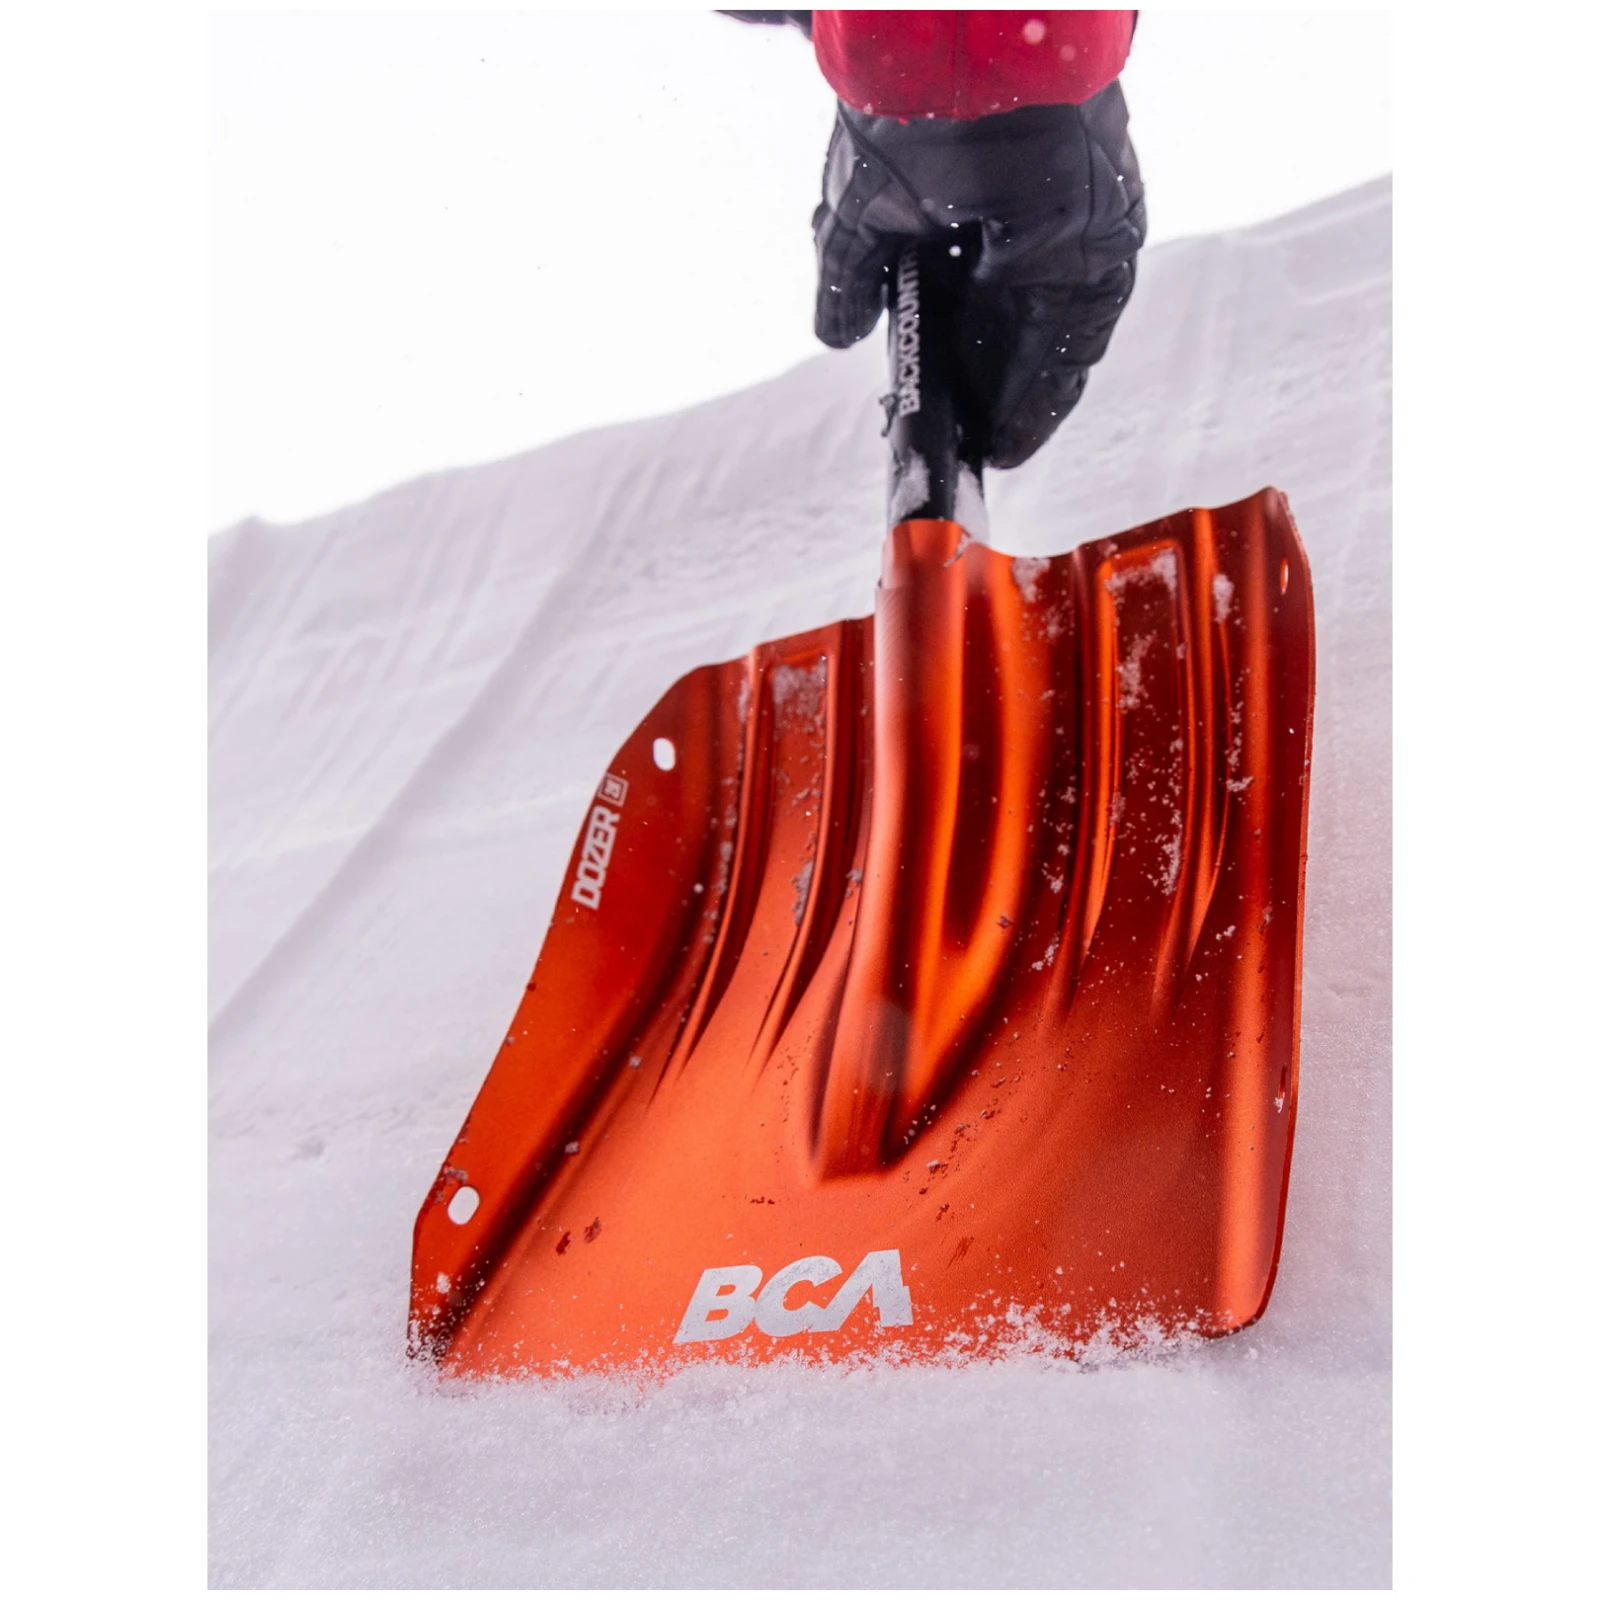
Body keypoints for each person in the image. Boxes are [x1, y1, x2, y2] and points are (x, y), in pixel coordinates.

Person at [727, 10, 1145, 470]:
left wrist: (866, 27)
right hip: (1058, 140)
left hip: (889, 115)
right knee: (1006, 419)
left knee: (845, 324)